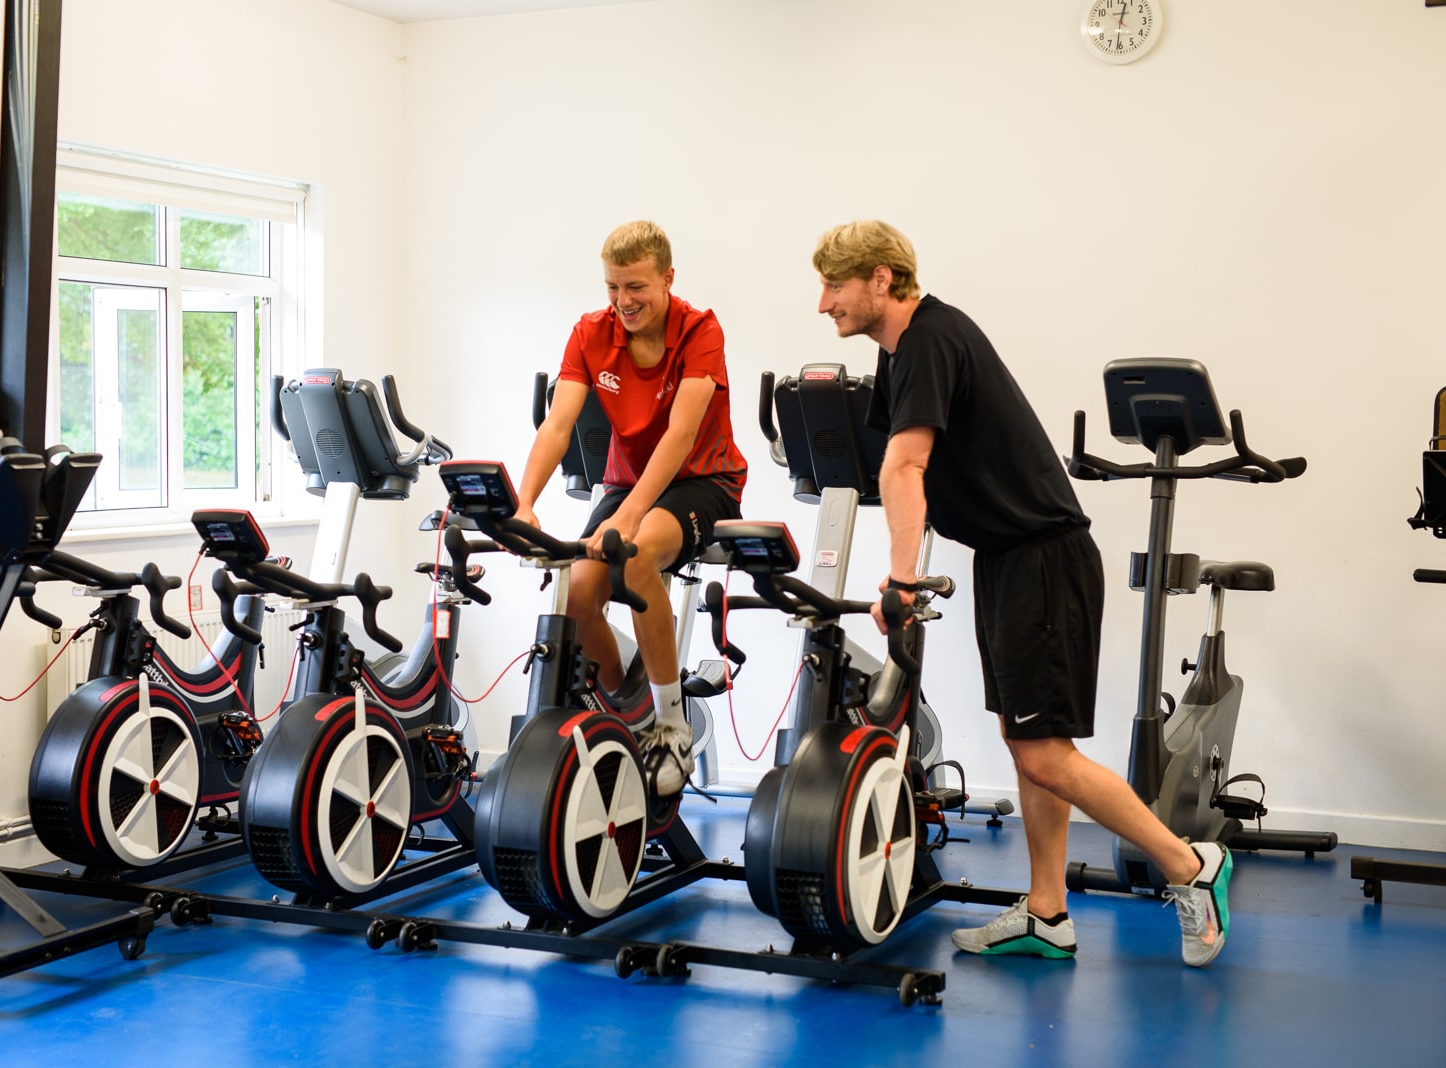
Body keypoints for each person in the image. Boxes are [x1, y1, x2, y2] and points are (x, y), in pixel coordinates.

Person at [812, 219, 1232, 967]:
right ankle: (1046, 911)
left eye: (833, 285)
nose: (822, 303)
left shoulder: (932, 340)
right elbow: (921, 479)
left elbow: (905, 469)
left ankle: (1191, 866)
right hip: (1009, 560)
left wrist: (902, 581)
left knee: (1044, 754)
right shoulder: (903, 355)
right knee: (1029, 744)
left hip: (1043, 559)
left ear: (880, 278)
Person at [515, 221, 745, 797]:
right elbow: (559, 423)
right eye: (613, 287)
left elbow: (681, 432)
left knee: (638, 558)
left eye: (636, 286)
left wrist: (630, 515)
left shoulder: (700, 330)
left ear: (668, 278)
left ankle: (672, 727)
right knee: (580, 592)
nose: (624, 301)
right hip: (627, 483)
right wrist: (524, 504)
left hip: (703, 478)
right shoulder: (591, 333)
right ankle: (632, 711)